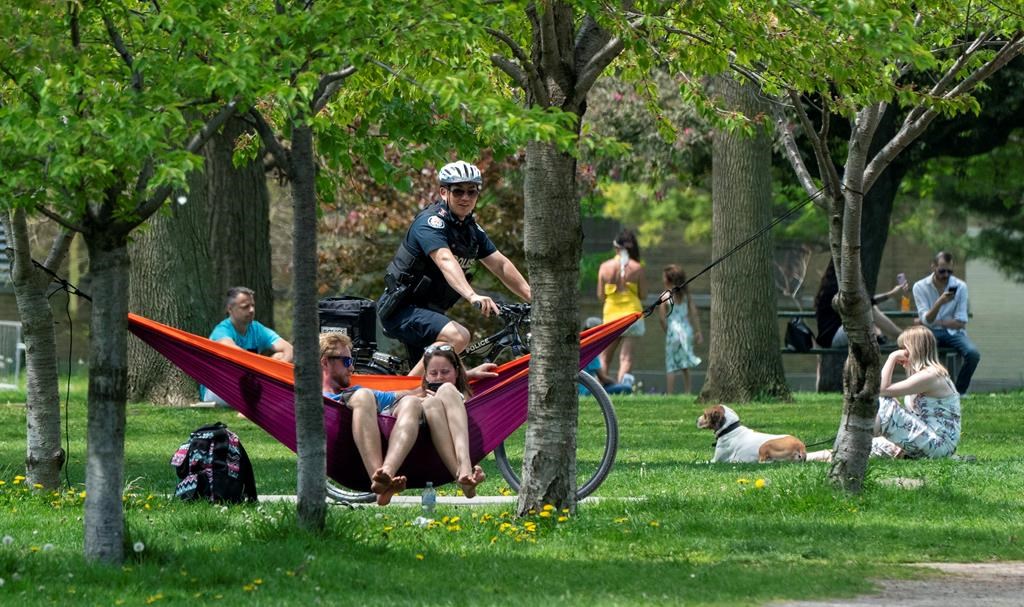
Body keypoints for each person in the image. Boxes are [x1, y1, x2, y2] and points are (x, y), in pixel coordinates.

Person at [378, 160, 531, 376]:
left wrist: (533, 297)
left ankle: (423, 389)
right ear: (443, 192)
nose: (465, 198)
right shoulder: (430, 223)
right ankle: (404, 392)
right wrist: (472, 296)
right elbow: (445, 260)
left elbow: (500, 264)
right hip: (402, 309)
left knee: (448, 384)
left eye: (472, 192)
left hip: (430, 312)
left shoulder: (470, 230)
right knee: (458, 336)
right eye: (458, 191)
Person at [807, 325, 961, 462]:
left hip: (938, 444)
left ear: (914, 349)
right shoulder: (929, 375)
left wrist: (892, 358)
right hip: (929, 441)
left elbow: (880, 390)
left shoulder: (931, 375)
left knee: (885, 403)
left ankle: (856, 434)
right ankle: (803, 457)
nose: (901, 354)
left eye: (903, 348)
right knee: (857, 450)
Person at [320, 332, 424, 506]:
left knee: (409, 401)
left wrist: (464, 377)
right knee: (364, 395)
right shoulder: (310, 398)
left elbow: (406, 393)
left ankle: (382, 481)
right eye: (346, 361)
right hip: (338, 454)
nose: (352, 368)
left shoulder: (356, 392)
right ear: (325, 362)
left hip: (357, 456)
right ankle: (379, 480)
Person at [201, 286, 293, 403]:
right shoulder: (222, 331)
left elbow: (289, 349)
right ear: (230, 309)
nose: (251, 310)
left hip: (249, 383)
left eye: (253, 305)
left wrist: (277, 367)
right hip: (218, 389)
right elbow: (236, 354)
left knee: (279, 357)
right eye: (245, 307)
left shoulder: (257, 328)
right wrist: (266, 369)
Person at [418, 343, 486, 497]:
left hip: (452, 445)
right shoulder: (420, 395)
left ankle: (464, 468)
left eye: (445, 371)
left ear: (456, 372)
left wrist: (470, 374)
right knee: (431, 402)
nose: (439, 377)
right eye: (433, 373)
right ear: (426, 376)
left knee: (447, 388)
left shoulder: (461, 393)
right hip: (422, 449)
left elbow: (453, 386)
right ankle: (464, 475)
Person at [912, 251, 980, 394]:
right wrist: (940, 302)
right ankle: (923, 391)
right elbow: (927, 321)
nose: (946, 275)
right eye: (942, 271)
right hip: (931, 333)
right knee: (919, 350)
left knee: (973, 354)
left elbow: (961, 321)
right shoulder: (920, 287)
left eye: (950, 271)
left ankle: (959, 392)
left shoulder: (960, 286)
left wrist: (935, 321)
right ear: (933, 267)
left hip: (954, 333)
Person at [813, 259, 906, 348]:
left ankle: (888, 336)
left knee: (871, 308)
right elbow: (864, 304)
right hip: (831, 338)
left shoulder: (833, 284)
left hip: (835, 333)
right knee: (868, 310)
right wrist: (891, 293)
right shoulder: (835, 287)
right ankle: (901, 336)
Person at [597, 229, 646, 382]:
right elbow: (643, 295)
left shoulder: (605, 267)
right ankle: (621, 389)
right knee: (626, 358)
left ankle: (603, 390)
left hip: (611, 317)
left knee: (605, 357)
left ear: (615, 247)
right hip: (633, 316)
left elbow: (601, 296)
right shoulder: (637, 268)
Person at [658, 264, 702, 394]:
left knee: (671, 364)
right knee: (685, 362)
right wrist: (698, 331)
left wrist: (667, 331)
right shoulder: (686, 295)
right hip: (686, 330)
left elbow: (661, 318)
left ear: (668, 279)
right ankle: (688, 391)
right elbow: (693, 312)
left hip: (673, 330)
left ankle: (670, 393)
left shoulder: (666, 295)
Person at [580, 317, 633, 395]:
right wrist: (616, 383)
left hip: (579, 391)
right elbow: (603, 378)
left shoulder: (581, 347)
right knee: (627, 387)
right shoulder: (591, 351)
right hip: (587, 392)